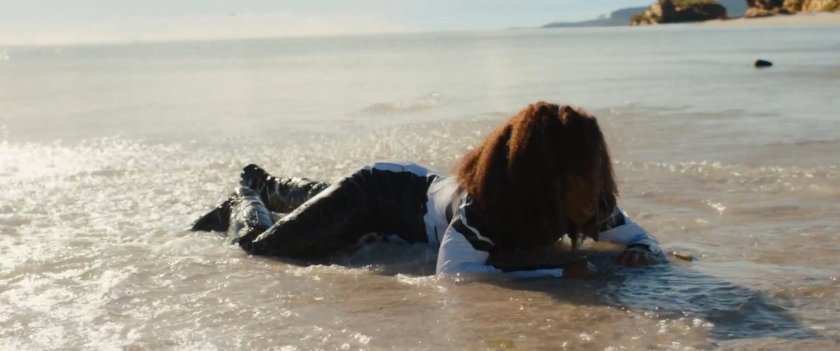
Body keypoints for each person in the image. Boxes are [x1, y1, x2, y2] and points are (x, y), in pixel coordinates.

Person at [191, 102, 663, 279]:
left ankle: (271, 183)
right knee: (263, 248)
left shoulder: (588, 201)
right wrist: (556, 272)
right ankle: (247, 194)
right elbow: (457, 273)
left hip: (411, 189)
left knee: (317, 200)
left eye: (592, 171)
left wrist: (640, 252)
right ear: (541, 177)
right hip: (374, 194)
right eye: (576, 176)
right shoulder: (485, 209)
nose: (590, 192)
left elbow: (641, 239)